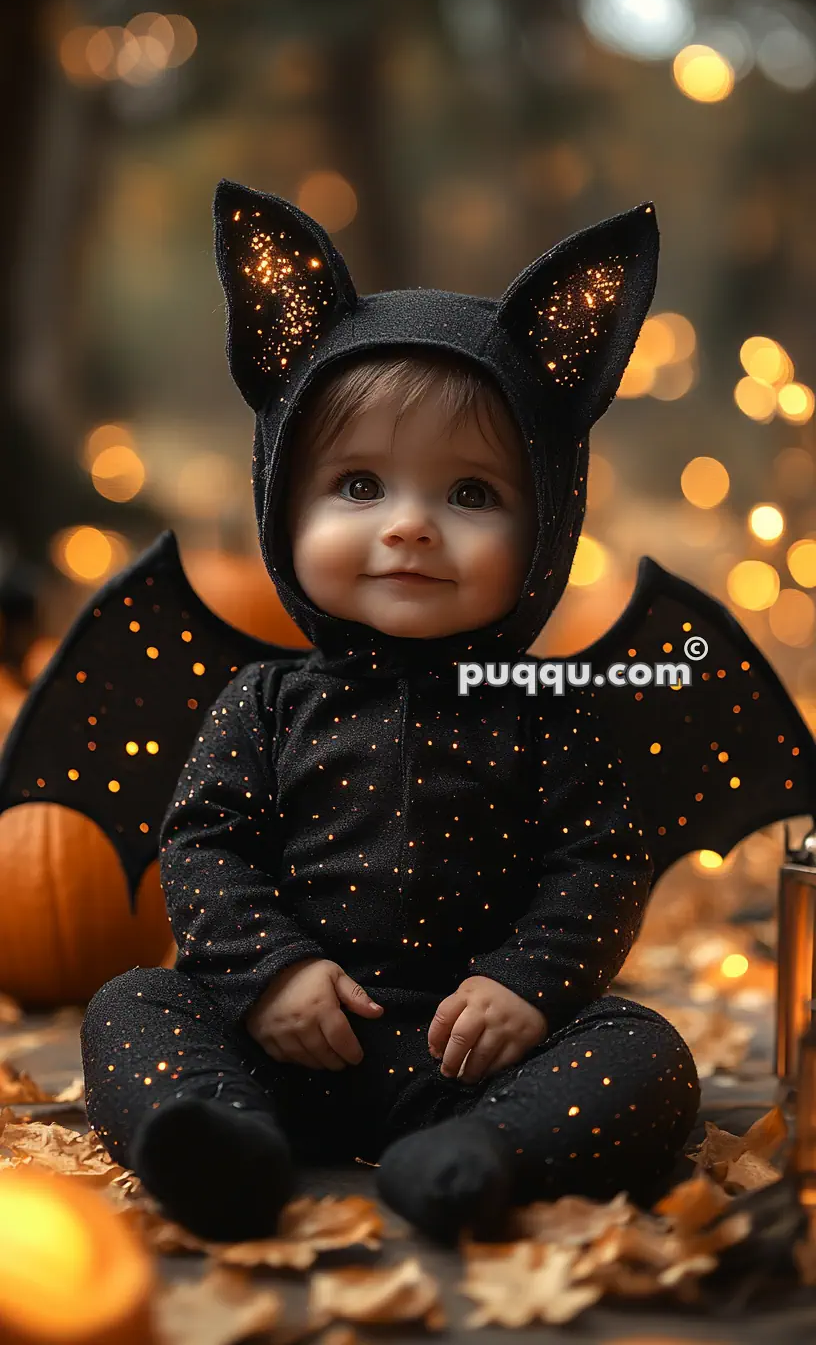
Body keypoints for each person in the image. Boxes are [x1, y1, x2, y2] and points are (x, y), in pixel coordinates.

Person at [80, 182, 699, 1246]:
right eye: (359, 485)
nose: (411, 528)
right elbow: (205, 847)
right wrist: (269, 972)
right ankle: (225, 1141)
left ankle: (482, 1157)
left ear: (547, 516)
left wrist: (528, 988)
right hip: (279, 1041)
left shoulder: (544, 710)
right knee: (131, 1005)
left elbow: (597, 864)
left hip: (475, 1057)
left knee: (647, 1054)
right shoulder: (265, 701)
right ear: (283, 501)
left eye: (469, 496)